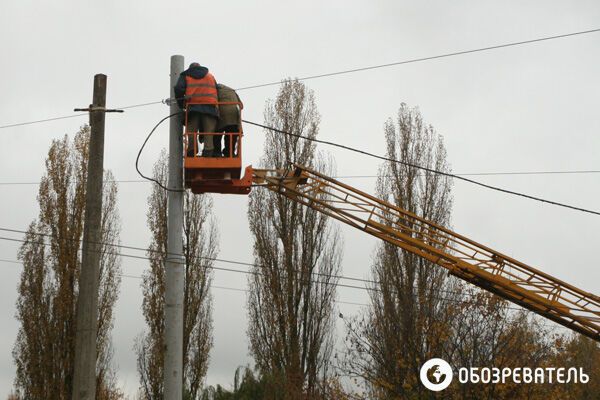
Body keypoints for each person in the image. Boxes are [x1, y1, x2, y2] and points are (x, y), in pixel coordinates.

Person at [174, 62, 219, 157]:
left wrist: (181, 104)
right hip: (210, 107)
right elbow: (217, 90)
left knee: (191, 131)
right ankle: (208, 151)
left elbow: (179, 89)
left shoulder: (186, 75)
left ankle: (192, 150)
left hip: (193, 107)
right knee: (208, 131)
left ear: (190, 68)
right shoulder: (210, 76)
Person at [214, 83, 243, 157]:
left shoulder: (215, 90)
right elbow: (241, 105)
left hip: (222, 113)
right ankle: (229, 152)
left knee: (217, 133)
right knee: (231, 135)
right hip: (235, 115)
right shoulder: (231, 90)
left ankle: (217, 152)